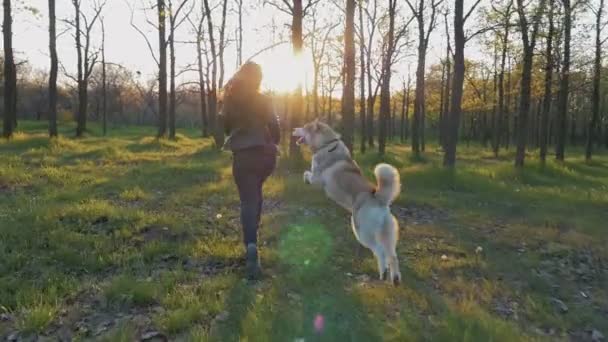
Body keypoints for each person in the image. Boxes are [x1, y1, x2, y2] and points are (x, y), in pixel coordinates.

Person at [222, 62, 280, 280]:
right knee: (255, 193)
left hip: (243, 157)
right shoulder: (264, 100)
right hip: (265, 156)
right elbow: (275, 128)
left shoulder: (230, 99)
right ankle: (254, 235)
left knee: (248, 199)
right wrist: (273, 142)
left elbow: (226, 127)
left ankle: (251, 245)